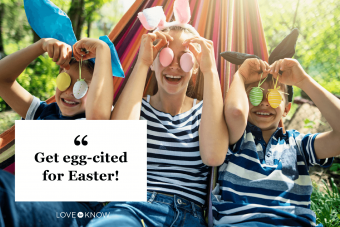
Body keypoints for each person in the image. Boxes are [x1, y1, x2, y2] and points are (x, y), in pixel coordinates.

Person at [86, 1, 229, 226]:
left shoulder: (206, 112)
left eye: (185, 57)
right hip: (131, 207)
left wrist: (210, 71)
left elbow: (213, 156)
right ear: (154, 61)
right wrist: (143, 62)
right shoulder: (135, 108)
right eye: (165, 55)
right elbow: (117, 143)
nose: (173, 64)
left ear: (194, 68)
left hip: (188, 214)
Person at [212, 57, 340, 227]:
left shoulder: (298, 145)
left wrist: (304, 81)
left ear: (287, 109)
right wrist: (241, 76)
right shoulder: (234, 139)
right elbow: (235, 112)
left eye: (273, 96)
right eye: (255, 94)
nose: (264, 102)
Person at [0, 37, 113, 227]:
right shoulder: (43, 113)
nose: (70, 91)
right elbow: (2, 79)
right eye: (64, 80)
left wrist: (102, 51)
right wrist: (40, 45)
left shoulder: (100, 123)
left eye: (83, 87)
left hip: (76, 213)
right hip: (30, 203)